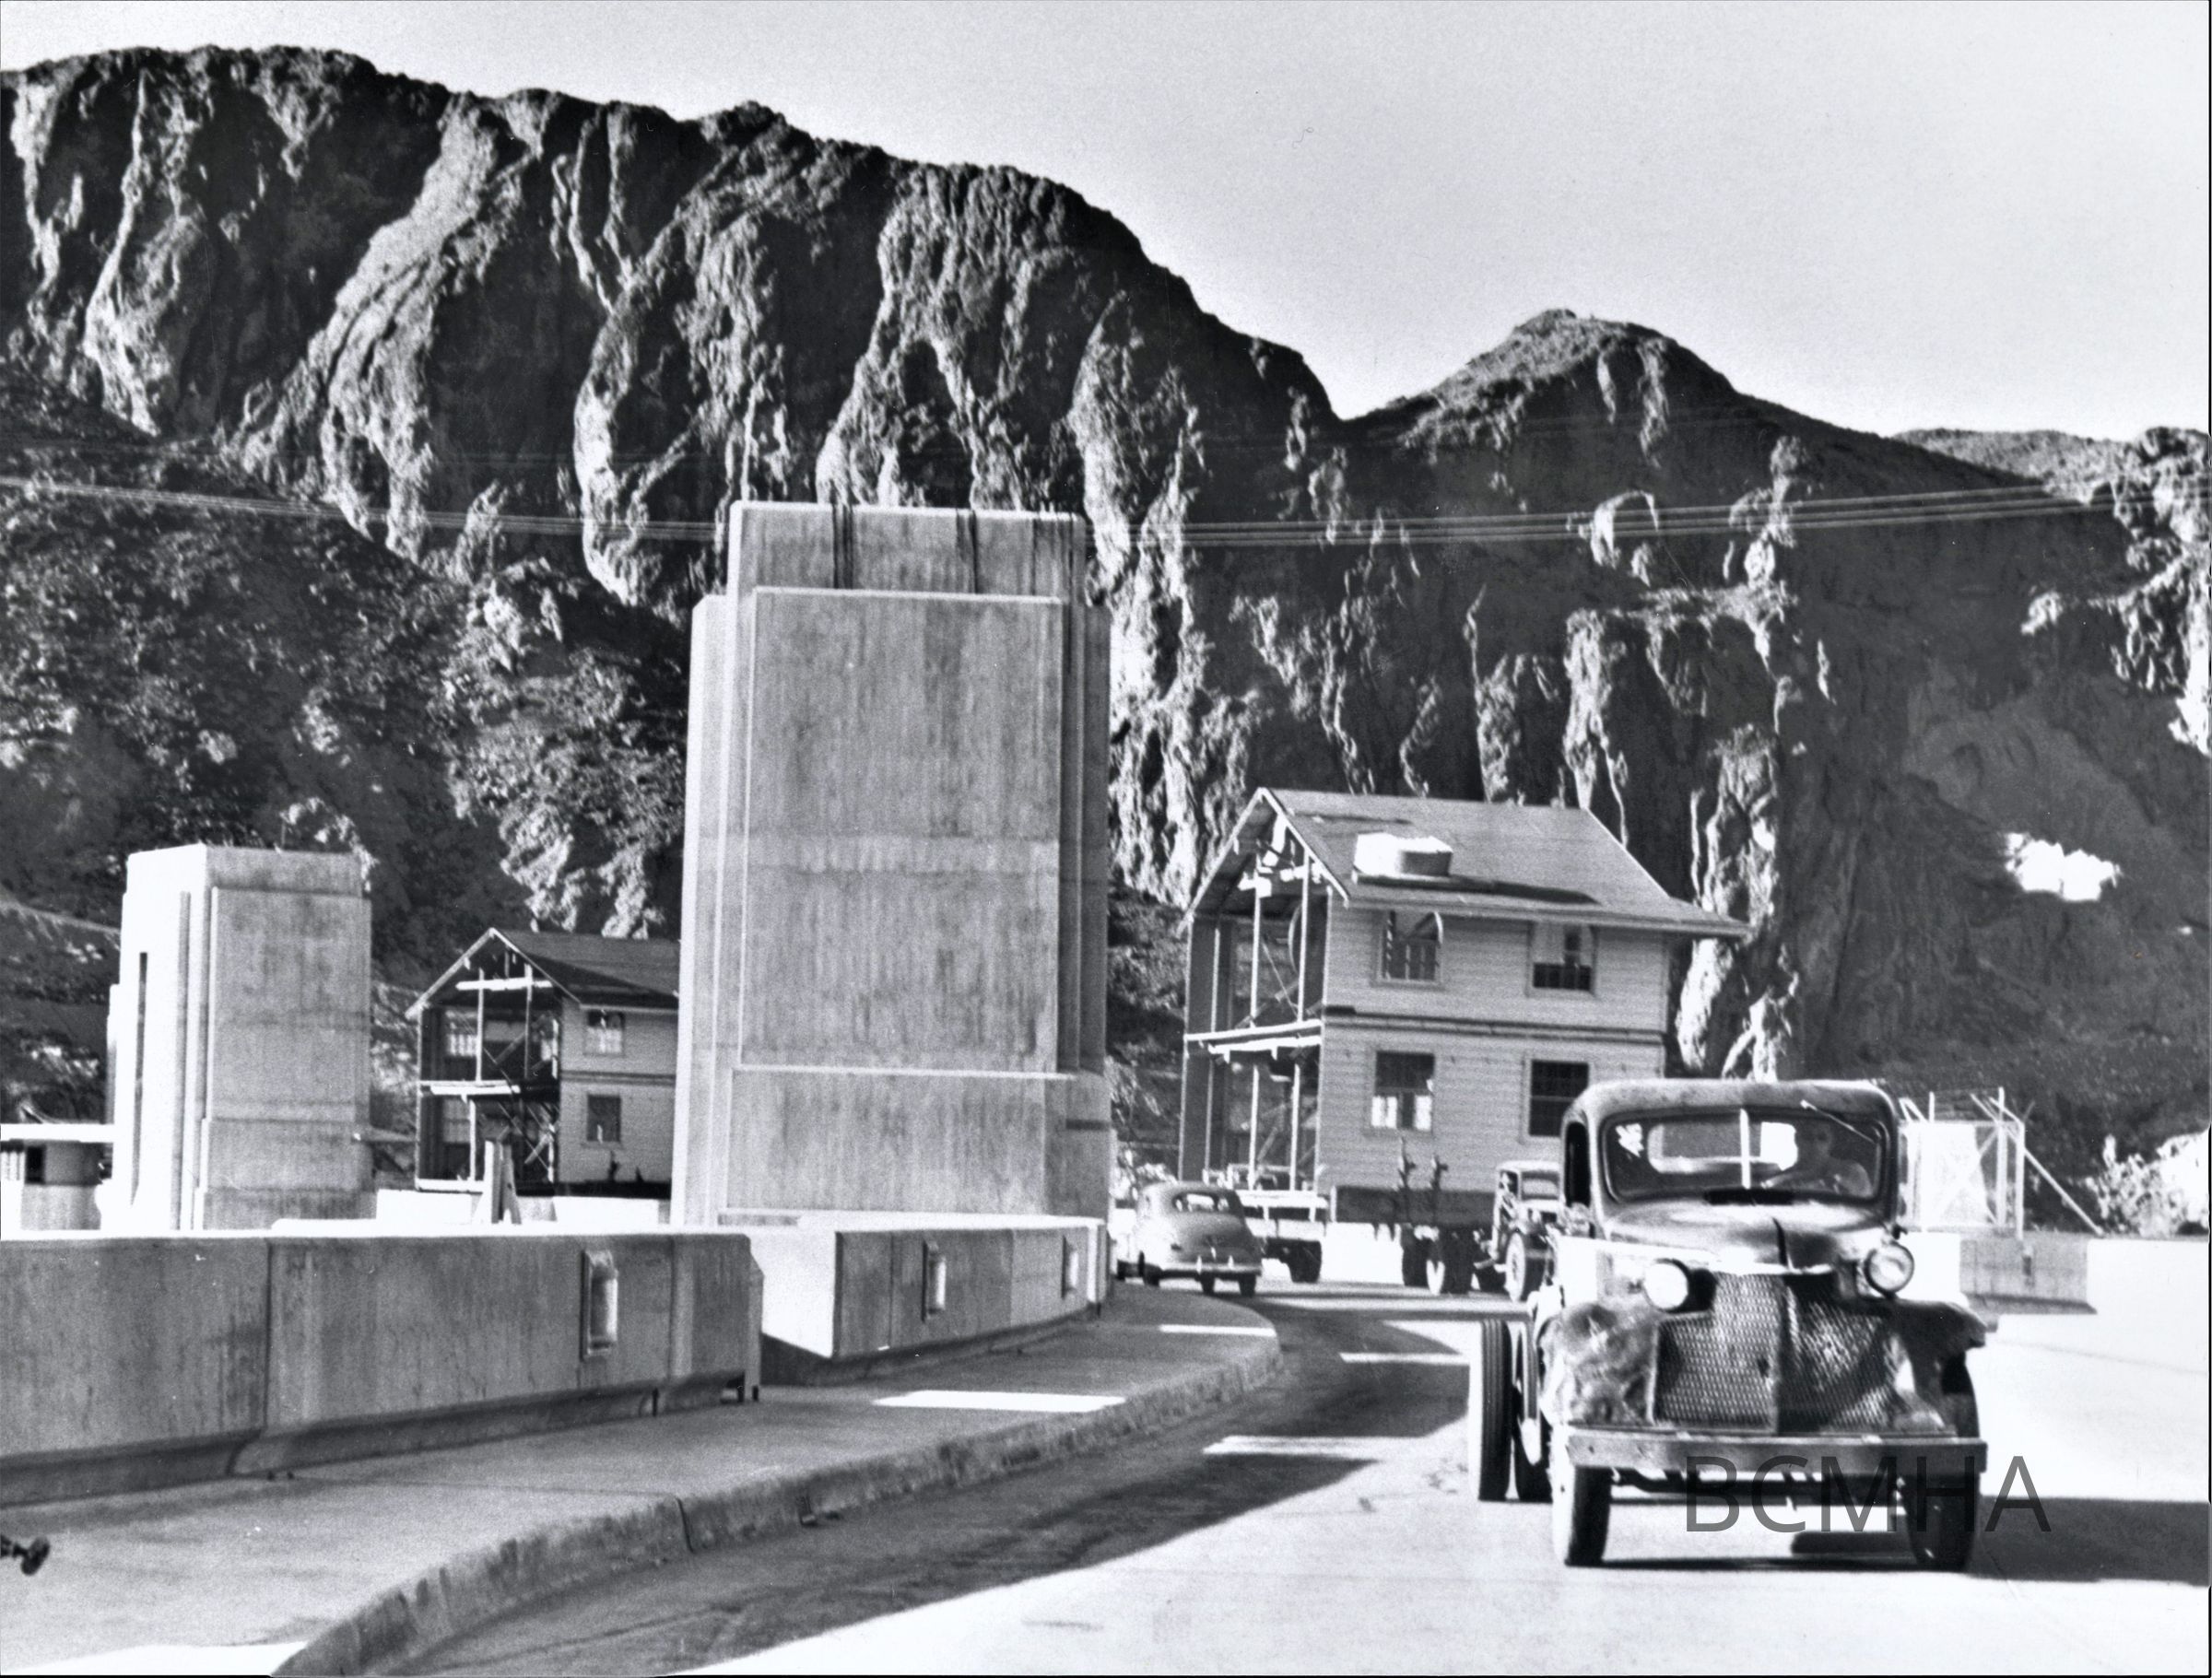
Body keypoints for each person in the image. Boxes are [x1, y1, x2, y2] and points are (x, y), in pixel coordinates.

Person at [1771, 1124, 1873, 1197]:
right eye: (1808, 1137)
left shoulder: (1851, 1171)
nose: (1815, 1143)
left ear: (1831, 1142)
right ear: (1797, 1139)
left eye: (1822, 1138)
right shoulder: (1781, 1179)